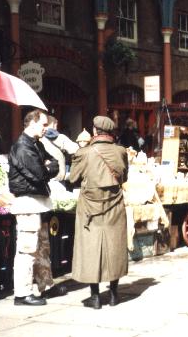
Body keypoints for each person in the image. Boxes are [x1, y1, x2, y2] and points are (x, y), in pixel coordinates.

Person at [69, 116, 129, 309]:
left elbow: (73, 178)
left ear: (94, 131)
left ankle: (95, 297)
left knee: (90, 249)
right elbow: (124, 177)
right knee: (115, 247)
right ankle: (113, 295)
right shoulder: (121, 151)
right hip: (114, 206)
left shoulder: (84, 153)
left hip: (89, 208)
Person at [7, 109, 60, 306]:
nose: (46, 128)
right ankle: (22, 294)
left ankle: (46, 285)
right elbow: (39, 173)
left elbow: (54, 163)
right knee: (27, 249)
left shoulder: (35, 144)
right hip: (27, 202)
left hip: (38, 201)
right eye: (43, 124)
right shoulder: (22, 146)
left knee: (42, 248)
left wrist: (48, 166)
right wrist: (47, 167)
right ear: (32, 123)